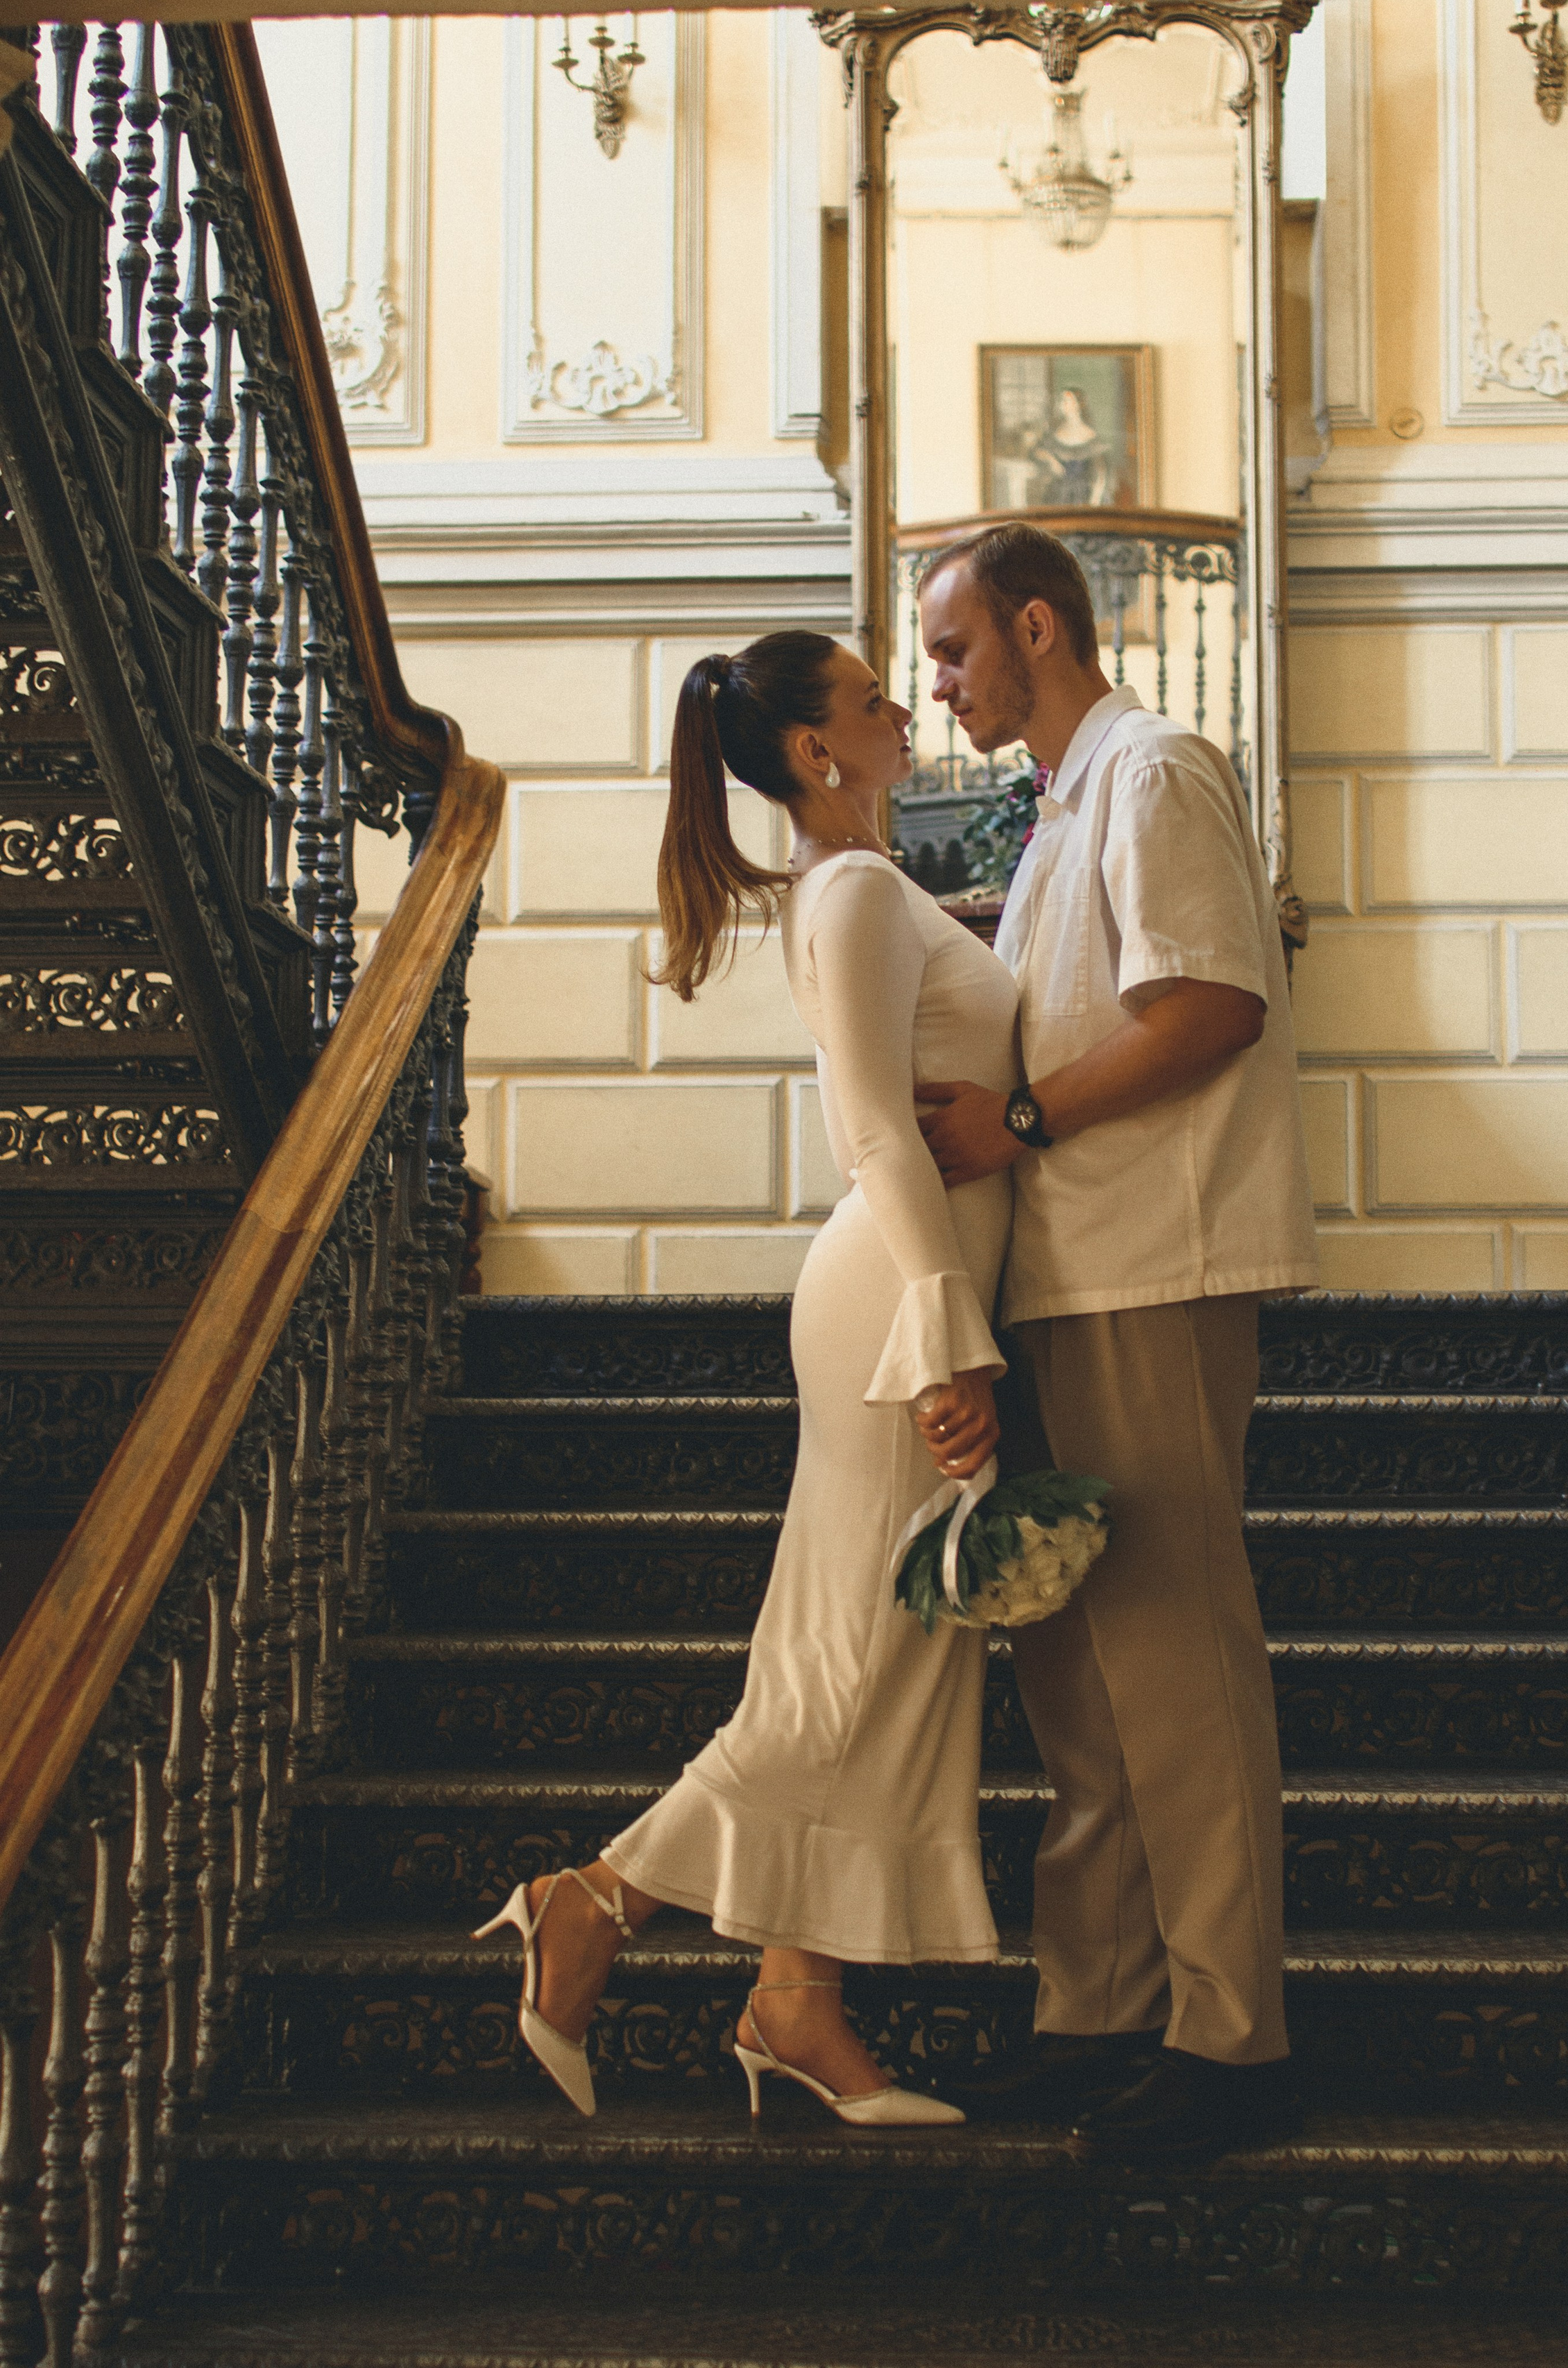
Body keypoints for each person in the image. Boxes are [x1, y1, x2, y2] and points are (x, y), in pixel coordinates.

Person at [475, 630, 1021, 2127]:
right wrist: (944, 1335)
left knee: (869, 1660)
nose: (899, 704)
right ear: (811, 752)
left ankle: (795, 2001)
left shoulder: (876, 888)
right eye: (866, 697)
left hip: (922, 1294)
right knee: (853, 1667)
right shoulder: (844, 891)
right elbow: (869, 1132)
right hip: (896, 1310)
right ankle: (595, 1896)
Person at [914, 522, 1319, 2163]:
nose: (938, 683)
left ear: (1035, 625)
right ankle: (1095, 2014)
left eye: (950, 651)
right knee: (1074, 1676)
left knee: (1168, 1657)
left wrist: (1012, 1118)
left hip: (1154, 1265)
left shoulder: (1153, 770)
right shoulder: (1060, 810)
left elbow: (1211, 1000)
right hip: (1062, 1279)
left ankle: (1234, 2037)